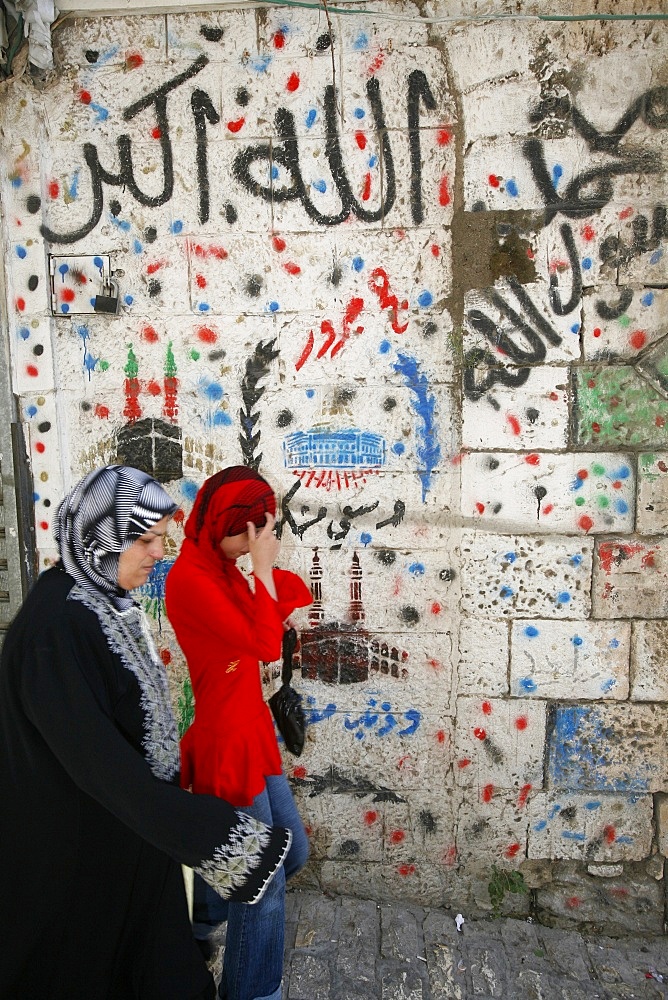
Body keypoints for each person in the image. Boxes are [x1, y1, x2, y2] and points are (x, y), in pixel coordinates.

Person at [0, 465, 292, 1000]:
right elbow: (101, 769)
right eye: (146, 538)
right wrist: (211, 833)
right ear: (102, 537)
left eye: (161, 537)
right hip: (86, 854)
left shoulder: (95, 596)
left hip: (130, 841)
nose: (159, 552)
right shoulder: (54, 632)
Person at [165, 466, 312, 1000]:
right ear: (222, 524)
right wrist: (266, 576)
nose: (250, 546)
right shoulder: (191, 579)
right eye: (245, 534)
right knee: (262, 881)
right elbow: (261, 643)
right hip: (227, 741)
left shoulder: (223, 567)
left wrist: (272, 595)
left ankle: (196, 924)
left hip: (251, 727)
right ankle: (253, 993)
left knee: (290, 852)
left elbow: (264, 616)